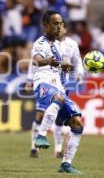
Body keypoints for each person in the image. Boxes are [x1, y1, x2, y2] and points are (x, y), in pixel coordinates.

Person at [31, 10, 84, 174]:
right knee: (59, 98)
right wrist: (48, 61)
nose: (59, 26)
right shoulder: (41, 43)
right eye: (55, 23)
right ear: (45, 25)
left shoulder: (58, 46)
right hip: (44, 84)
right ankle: (41, 135)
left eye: (61, 23)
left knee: (77, 123)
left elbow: (58, 65)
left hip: (58, 86)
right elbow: (37, 60)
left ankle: (66, 163)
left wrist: (64, 67)